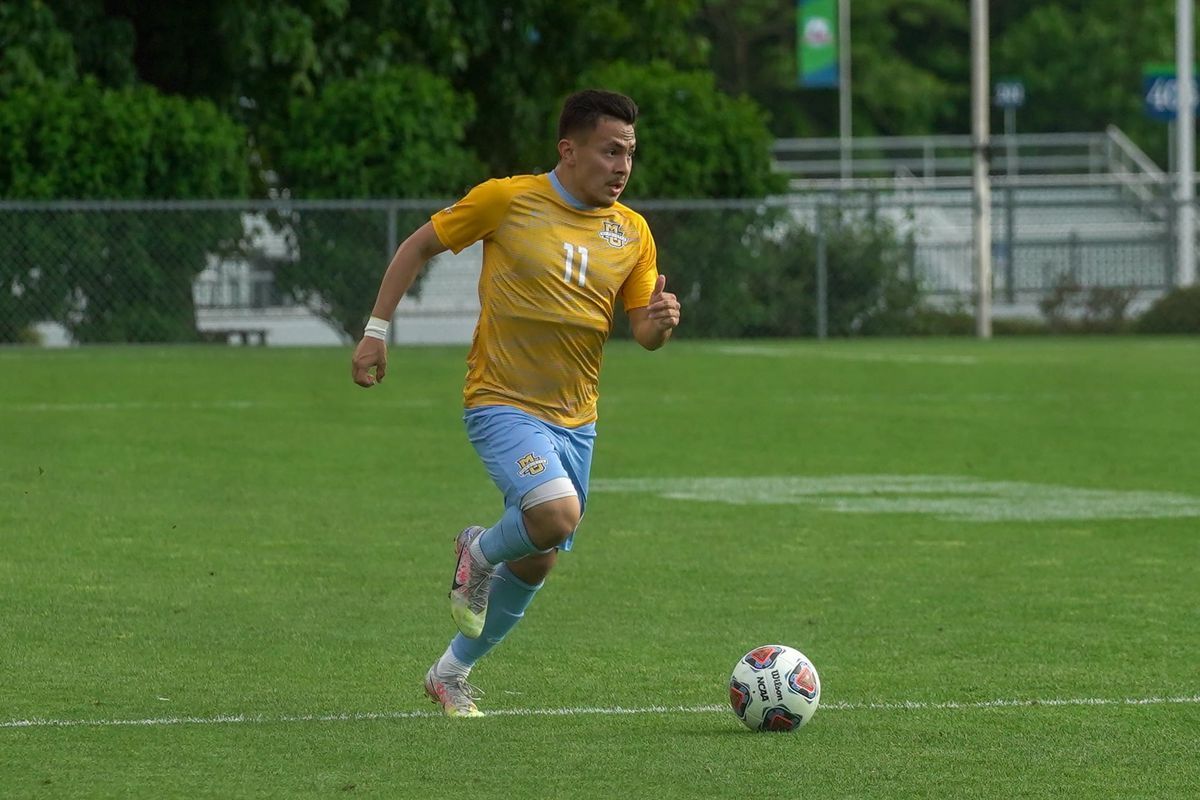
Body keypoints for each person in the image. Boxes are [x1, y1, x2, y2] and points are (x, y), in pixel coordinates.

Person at [351, 89, 681, 717]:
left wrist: (661, 321)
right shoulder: (508, 199)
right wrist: (375, 331)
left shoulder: (633, 232)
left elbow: (642, 333)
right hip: (501, 401)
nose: (622, 166)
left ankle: (449, 675)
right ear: (569, 150)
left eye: (630, 154)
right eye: (609, 151)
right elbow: (418, 246)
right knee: (555, 515)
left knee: (539, 559)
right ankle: (475, 550)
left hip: (576, 419)